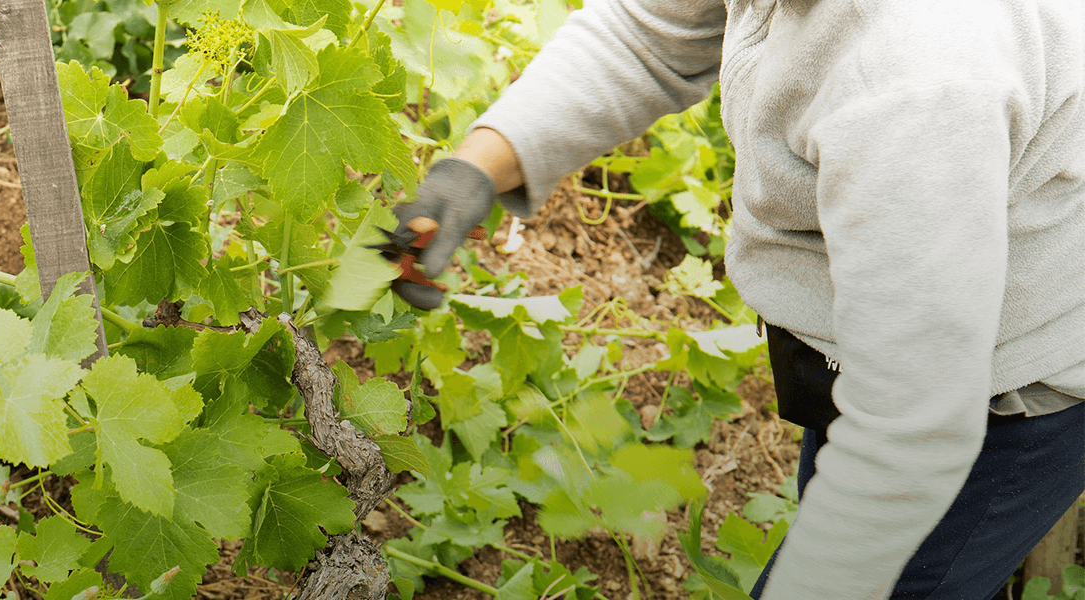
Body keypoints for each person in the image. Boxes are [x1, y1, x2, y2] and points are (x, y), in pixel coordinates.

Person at [391, 1, 1085, 599]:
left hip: (1003, 400)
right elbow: (650, 32)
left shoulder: (919, 75)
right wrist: (477, 167)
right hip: (890, 347)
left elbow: (911, 429)